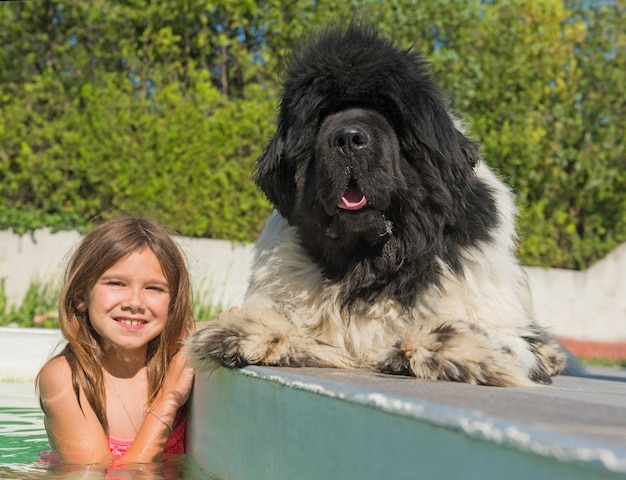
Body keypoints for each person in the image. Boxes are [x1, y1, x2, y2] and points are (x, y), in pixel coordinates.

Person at [36, 216, 195, 465]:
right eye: (116, 283)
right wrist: (170, 397)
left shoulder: (176, 359)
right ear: (81, 297)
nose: (134, 303)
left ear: (172, 303)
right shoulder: (67, 378)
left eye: (154, 288)